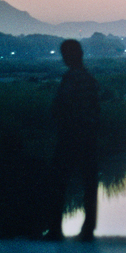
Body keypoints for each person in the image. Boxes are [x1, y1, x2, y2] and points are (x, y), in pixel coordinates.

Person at [46, 39, 101, 242]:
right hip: (89, 138)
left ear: (71, 56)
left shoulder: (72, 78)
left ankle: (54, 230)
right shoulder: (88, 78)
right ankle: (88, 229)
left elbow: (61, 107)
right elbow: (96, 110)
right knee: (89, 184)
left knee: (58, 184)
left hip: (70, 138)